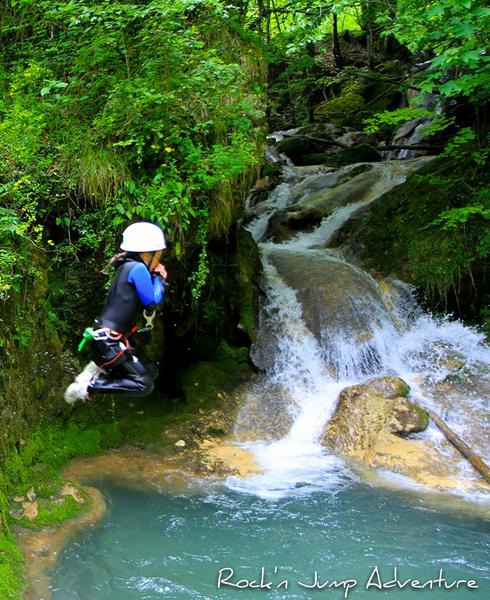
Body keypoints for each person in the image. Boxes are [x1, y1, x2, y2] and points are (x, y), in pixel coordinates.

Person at [64, 222, 167, 404]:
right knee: (144, 384)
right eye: (158, 255)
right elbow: (151, 302)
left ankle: (93, 372)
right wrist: (160, 279)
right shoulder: (138, 268)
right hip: (109, 343)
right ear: (146, 253)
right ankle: (89, 386)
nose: (159, 260)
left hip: (106, 342)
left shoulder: (128, 266)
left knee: (151, 369)